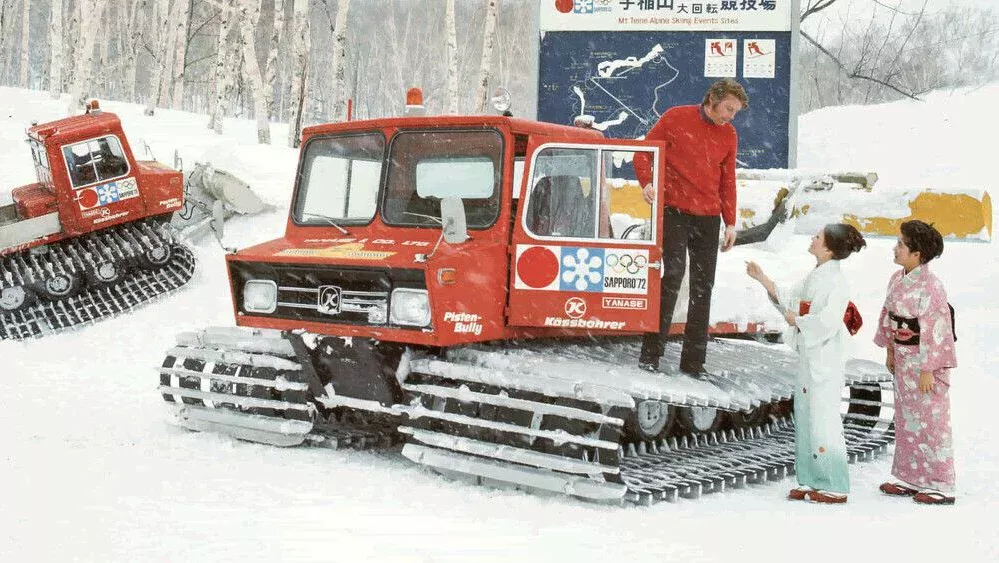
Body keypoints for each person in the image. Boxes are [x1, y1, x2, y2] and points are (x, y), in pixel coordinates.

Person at [746, 223, 867, 504]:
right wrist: (763, 278)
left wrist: (798, 321)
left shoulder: (836, 281)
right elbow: (791, 297)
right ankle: (812, 478)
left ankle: (834, 484)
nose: (813, 239)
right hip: (810, 355)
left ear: (828, 248)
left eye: (818, 237)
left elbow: (827, 321)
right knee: (807, 417)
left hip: (825, 356)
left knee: (824, 419)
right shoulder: (817, 275)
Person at [633, 78, 748, 374]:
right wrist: (647, 183)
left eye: (735, 112)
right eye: (728, 109)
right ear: (713, 99)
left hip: (708, 218)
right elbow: (643, 153)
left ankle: (694, 362)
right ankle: (650, 355)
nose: (730, 116)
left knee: (703, 286)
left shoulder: (729, 134)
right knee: (670, 277)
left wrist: (731, 221)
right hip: (674, 211)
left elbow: (728, 180)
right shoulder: (675, 117)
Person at [873, 220, 957, 505]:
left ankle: (940, 482)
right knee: (907, 419)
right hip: (903, 359)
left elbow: (936, 329)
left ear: (917, 254)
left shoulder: (931, 287)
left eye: (900, 245)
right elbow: (888, 314)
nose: (895, 249)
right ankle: (911, 477)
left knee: (932, 422)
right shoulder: (897, 279)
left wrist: (928, 369)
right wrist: (889, 350)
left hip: (924, 364)